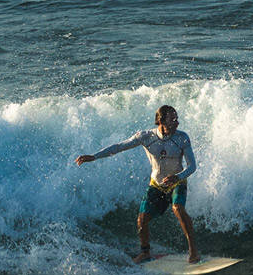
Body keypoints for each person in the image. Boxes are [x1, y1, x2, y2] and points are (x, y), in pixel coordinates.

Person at [76, 104, 200, 264]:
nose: (177, 122)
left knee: (178, 209)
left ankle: (193, 251)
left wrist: (177, 177)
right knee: (142, 219)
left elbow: (192, 166)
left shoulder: (182, 138)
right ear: (161, 121)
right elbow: (119, 147)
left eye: (177, 118)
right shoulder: (146, 136)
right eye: (173, 119)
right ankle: (145, 252)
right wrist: (94, 156)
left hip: (178, 182)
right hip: (156, 184)